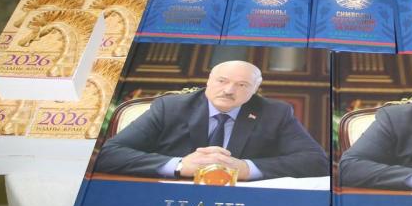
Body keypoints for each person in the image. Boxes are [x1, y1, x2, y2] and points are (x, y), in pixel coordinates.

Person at [95, 60, 328, 180]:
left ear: (255, 90)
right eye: (222, 81)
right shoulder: (171, 107)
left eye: (242, 85)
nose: (229, 90)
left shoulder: (275, 113)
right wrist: (179, 165)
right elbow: (109, 154)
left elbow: (316, 161)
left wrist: (246, 169)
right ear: (208, 81)